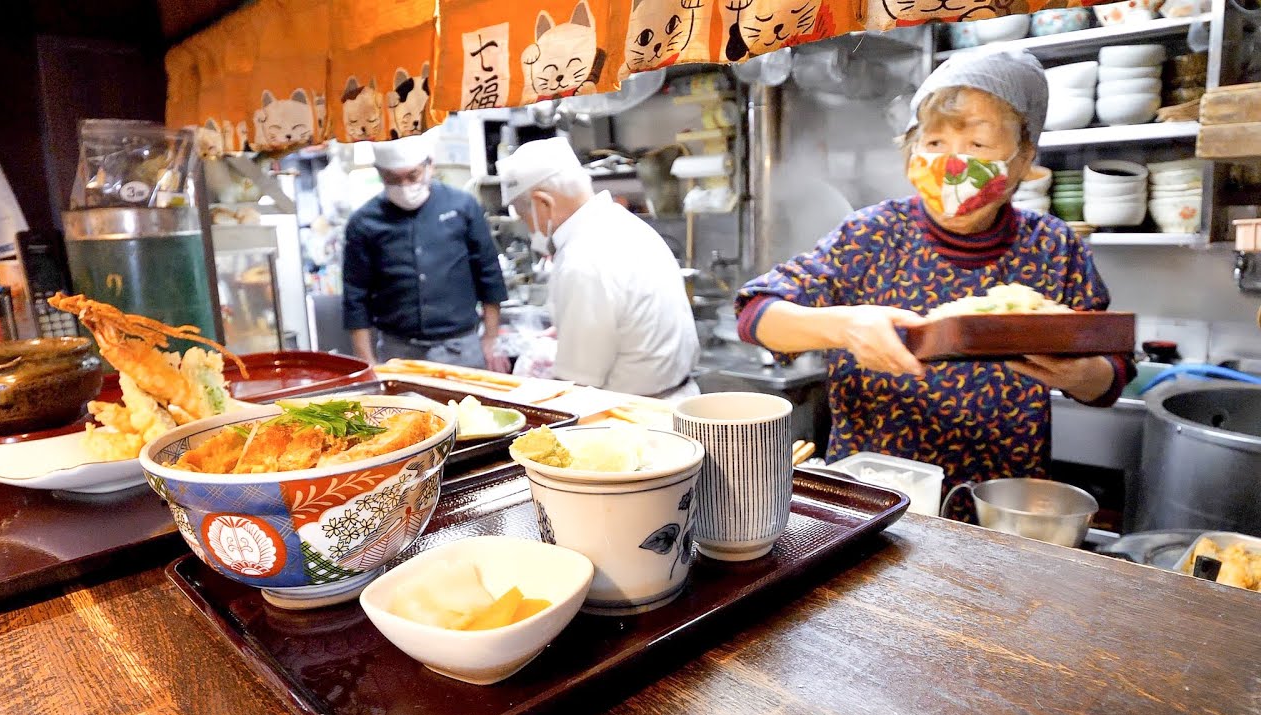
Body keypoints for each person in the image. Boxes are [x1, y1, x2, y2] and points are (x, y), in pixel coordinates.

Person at [735, 49, 1135, 503]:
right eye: (934, 144)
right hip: (872, 498)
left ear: (1024, 161)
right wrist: (844, 326)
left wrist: (1078, 374)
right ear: (910, 153)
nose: (953, 165)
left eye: (979, 146)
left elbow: (1112, 375)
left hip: (1000, 504)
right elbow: (755, 313)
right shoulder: (871, 234)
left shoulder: (1052, 247)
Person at [496, 137, 700, 399]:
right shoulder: (622, 223)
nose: (528, 228)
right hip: (672, 400)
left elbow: (578, 384)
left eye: (524, 217)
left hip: (633, 420)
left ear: (543, 204)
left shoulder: (580, 259)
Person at [343, 133, 510, 371]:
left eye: (413, 176)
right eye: (392, 179)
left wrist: (491, 338)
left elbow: (489, 274)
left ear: (429, 165)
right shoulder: (364, 223)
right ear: (379, 172)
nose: (404, 187)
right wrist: (367, 361)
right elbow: (355, 297)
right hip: (398, 352)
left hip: (461, 347)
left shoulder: (462, 206)